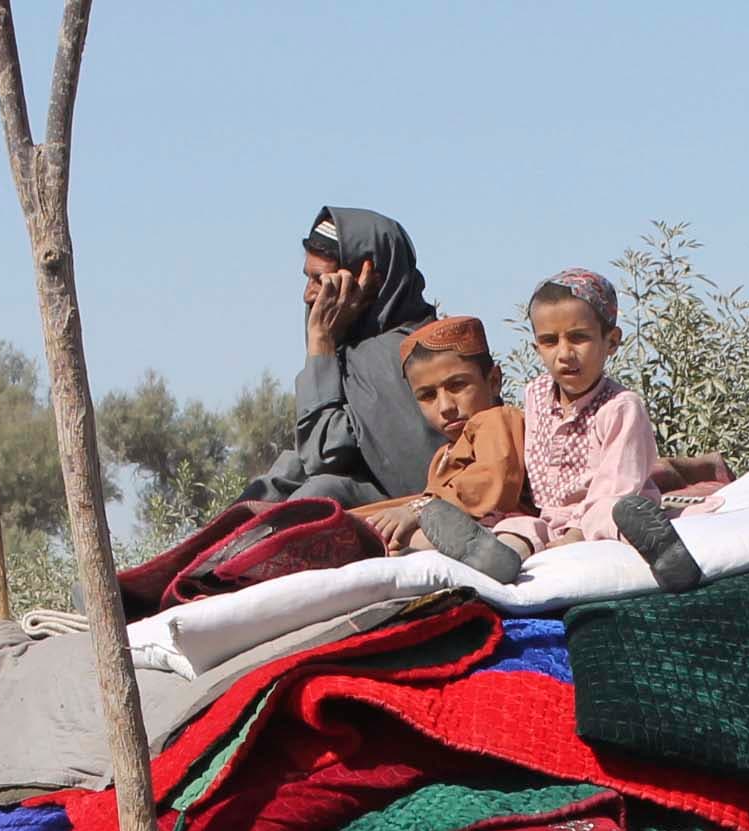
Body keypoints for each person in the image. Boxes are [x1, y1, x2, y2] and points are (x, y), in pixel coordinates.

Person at [423, 269, 677, 587]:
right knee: (520, 527)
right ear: (537, 348)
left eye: (579, 338)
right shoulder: (535, 394)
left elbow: (617, 482)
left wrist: (577, 532)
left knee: (613, 515)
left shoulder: (621, 407)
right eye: (549, 341)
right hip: (549, 513)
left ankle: (663, 552)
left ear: (611, 341)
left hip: (603, 505)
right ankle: (496, 558)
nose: (565, 354)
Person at [245, 205, 443, 507]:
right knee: (277, 478)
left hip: (406, 506)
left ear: (370, 277)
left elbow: (322, 453)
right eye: (307, 279)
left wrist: (320, 342)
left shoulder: (410, 354)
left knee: (321, 493)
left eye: (319, 280)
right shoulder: (351, 349)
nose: (308, 295)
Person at [355, 316, 531, 562]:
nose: (446, 406)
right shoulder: (443, 455)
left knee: (398, 542)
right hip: (457, 526)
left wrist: (418, 510)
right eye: (428, 396)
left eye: (457, 385)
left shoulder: (495, 420)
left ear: (493, 381)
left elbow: (493, 483)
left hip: (503, 528)